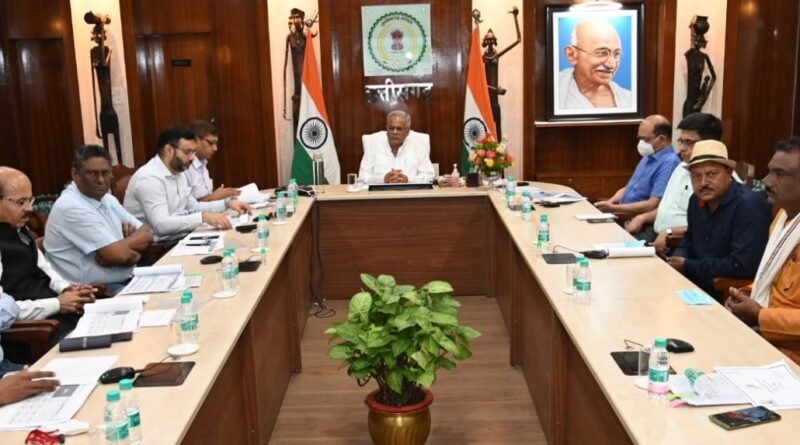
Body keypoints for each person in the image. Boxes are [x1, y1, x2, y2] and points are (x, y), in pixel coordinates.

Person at [0, 167, 96, 341]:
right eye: (21, 202)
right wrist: (57, 304)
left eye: (30, 200)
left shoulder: (20, 230)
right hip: (35, 334)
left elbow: (45, 270)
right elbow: (5, 311)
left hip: (59, 315)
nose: (30, 208)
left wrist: (67, 289)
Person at [727, 137, 800, 363]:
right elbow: (772, 279)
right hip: (763, 339)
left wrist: (760, 315)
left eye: (779, 174)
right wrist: (745, 294)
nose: (766, 182)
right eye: (769, 172)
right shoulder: (781, 219)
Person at [668, 140, 772, 300]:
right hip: (693, 285)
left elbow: (742, 265)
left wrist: (687, 265)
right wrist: (676, 261)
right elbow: (689, 240)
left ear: (729, 172)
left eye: (711, 174)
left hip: (728, 293)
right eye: (696, 176)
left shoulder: (748, 206)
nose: (703, 183)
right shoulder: (696, 200)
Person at [44, 146, 153, 291]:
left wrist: (123, 249)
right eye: (93, 174)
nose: (101, 180)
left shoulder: (108, 199)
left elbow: (147, 233)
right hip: (95, 291)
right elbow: (119, 256)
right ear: (75, 174)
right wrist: (127, 252)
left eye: (105, 173)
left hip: (126, 279)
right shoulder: (71, 207)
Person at [123, 126, 252, 242]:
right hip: (158, 249)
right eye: (187, 152)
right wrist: (203, 217)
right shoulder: (149, 178)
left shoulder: (178, 172)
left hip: (178, 237)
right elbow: (161, 225)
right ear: (169, 150)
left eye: (193, 152)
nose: (192, 158)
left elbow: (193, 207)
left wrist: (227, 203)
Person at [626, 113, 724, 246]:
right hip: (655, 233)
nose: (682, 148)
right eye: (681, 141)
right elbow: (667, 207)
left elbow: (711, 225)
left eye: (689, 143)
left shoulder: (718, 180)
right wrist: (642, 217)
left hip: (678, 241)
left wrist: (669, 231)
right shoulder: (681, 167)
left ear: (709, 144)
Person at [596, 115, 680, 220]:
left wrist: (614, 208)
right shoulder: (648, 156)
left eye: (645, 139)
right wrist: (610, 202)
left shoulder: (670, 162)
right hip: (622, 213)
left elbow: (652, 204)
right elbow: (628, 188)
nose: (641, 143)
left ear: (661, 139)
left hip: (638, 220)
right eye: (640, 139)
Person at [559, 20, 632, 109]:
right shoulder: (555, 87)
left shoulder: (628, 99)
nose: (612, 65)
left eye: (616, 54)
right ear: (571, 55)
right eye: (602, 53)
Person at [359, 111, 435, 184]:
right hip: (380, 192)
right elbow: (362, 177)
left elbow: (429, 176)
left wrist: (408, 179)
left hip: (410, 191)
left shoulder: (418, 147)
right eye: (391, 128)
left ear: (407, 131)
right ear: (387, 128)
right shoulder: (373, 146)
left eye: (399, 129)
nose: (394, 132)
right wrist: (383, 179)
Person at [184, 120, 240, 202]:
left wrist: (221, 196)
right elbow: (187, 207)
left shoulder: (203, 163)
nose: (215, 148)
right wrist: (213, 197)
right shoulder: (184, 167)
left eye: (216, 144)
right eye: (211, 143)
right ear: (196, 140)